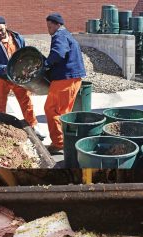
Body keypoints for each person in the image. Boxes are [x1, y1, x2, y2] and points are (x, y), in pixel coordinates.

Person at [0, 16, 46, 139]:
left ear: (6, 25)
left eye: (0, 29)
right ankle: (0, 128)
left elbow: (25, 55)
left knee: (26, 102)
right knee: (0, 104)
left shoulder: (18, 38)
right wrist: (3, 69)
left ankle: (33, 125)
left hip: (18, 77)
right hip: (2, 78)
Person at [44, 13, 86, 154]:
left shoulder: (59, 35)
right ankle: (65, 142)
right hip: (73, 79)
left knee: (51, 110)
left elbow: (58, 53)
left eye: (50, 26)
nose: (48, 29)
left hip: (64, 80)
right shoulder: (68, 35)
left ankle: (59, 143)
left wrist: (45, 64)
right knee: (63, 112)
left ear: (57, 25)